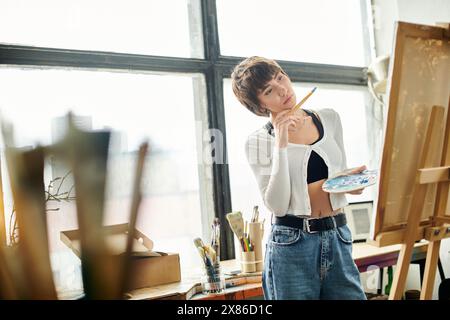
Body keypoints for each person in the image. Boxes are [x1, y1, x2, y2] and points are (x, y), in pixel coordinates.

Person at [231, 56, 367, 300]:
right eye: (269, 90)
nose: (282, 90)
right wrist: (281, 143)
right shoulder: (259, 142)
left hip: (338, 235)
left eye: (281, 77)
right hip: (292, 244)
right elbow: (277, 205)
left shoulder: (329, 118)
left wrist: (349, 182)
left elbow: (336, 176)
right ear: (260, 106)